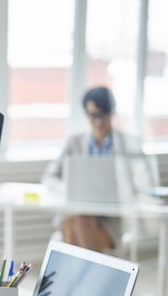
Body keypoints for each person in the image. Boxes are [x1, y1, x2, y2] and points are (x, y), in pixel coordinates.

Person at [41, 86, 145, 253]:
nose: (98, 122)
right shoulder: (74, 142)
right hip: (75, 211)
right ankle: (96, 276)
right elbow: (50, 176)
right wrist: (69, 189)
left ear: (112, 113)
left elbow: (140, 182)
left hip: (110, 218)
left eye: (104, 115)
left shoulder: (128, 144)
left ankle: (77, 278)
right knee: (79, 219)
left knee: (76, 226)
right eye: (93, 115)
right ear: (86, 114)